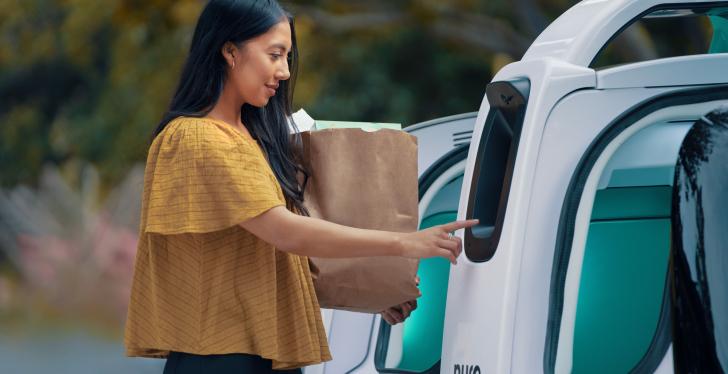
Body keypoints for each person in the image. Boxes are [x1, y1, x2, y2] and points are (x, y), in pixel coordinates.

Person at [124, 1, 478, 373]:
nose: (284, 71)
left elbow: (270, 262)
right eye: (274, 55)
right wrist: (405, 243)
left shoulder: (254, 139)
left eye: (288, 57)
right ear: (229, 51)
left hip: (261, 354)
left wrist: (375, 289)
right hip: (220, 358)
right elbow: (284, 232)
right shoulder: (196, 139)